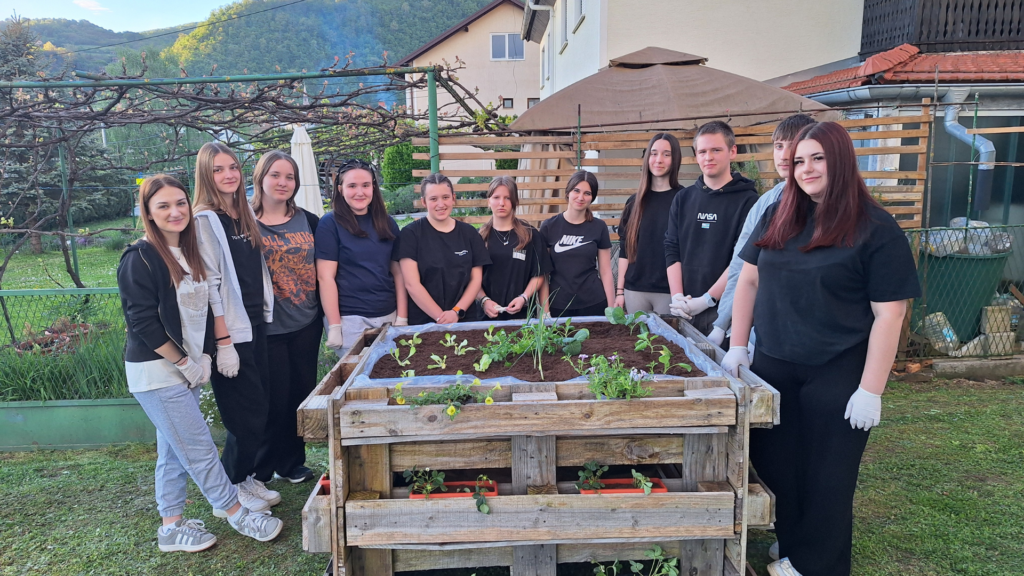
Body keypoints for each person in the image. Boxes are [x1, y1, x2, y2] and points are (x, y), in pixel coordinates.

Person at [723, 122, 920, 576]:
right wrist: (737, 346)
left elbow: (890, 314)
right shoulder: (782, 215)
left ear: (841, 161)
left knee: (828, 475)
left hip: (838, 369)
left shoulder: (875, 228)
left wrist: (871, 390)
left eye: (818, 159)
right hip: (774, 364)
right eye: (798, 161)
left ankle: (816, 563)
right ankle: (794, 544)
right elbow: (748, 279)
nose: (806, 169)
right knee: (778, 466)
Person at [117, 175, 282, 553]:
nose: (175, 212)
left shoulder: (188, 253)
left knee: (173, 451)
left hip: (187, 367)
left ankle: (171, 526)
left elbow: (201, 312)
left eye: (180, 203)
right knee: (199, 448)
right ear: (148, 213)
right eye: (163, 206)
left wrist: (207, 353)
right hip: (157, 373)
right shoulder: (139, 257)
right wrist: (183, 362)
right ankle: (237, 511)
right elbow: (142, 322)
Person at [192, 142, 281, 515]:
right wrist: (223, 341)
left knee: (260, 405)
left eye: (232, 167)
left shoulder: (241, 214)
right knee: (244, 411)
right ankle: (230, 489)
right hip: (229, 332)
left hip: (253, 322)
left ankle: (245, 477)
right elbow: (210, 283)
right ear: (205, 176)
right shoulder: (204, 220)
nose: (229, 175)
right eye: (218, 169)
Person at [708, 114, 817, 348]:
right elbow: (741, 266)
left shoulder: (831, 205)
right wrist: (722, 325)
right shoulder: (767, 202)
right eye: (778, 146)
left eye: (793, 145)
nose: (784, 154)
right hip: (764, 331)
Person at [250, 150, 321, 485]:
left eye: (289, 177)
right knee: (272, 398)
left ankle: (292, 463)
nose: (282, 182)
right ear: (260, 178)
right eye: (275, 175)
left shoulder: (309, 220)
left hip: (306, 321)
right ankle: (261, 469)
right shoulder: (243, 222)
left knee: (300, 393)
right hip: (267, 327)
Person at [664, 120, 759, 334]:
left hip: (725, 310)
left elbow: (743, 259)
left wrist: (707, 299)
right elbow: (671, 247)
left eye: (716, 150)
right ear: (696, 155)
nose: (709, 157)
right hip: (684, 308)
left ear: (732, 151)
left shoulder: (748, 202)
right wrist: (677, 297)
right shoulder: (683, 198)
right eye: (703, 151)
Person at [316, 159, 406, 355]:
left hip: (387, 313)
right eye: (352, 186)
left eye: (366, 185)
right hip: (350, 320)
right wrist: (334, 325)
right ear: (340, 189)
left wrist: (402, 317)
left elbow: (398, 272)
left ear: (373, 187)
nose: (360, 192)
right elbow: (325, 277)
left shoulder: (387, 223)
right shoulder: (329, 224)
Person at [396, 173, 489, 325]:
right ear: (423, 202)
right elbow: (412, 284)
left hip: (465, 319)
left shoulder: (469, 233)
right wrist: (441, 317)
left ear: (453, 198)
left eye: (445, 197)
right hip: (424, 323)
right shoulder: (410, 234)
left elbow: (476, 280)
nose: (441, 204)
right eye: (433, 199)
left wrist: (456, 312)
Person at [615, 133, 683, 314]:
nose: (658, 159)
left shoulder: (685, 199)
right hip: (634, 291)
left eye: (666, 154)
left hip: (669, 292)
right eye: (653, 153)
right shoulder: (633, 202)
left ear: (675, 158)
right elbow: (624, 249)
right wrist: (620, 291)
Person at [539, 170, 614, 317]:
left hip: (594, 303)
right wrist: (545, 310)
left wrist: (611, 309)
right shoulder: (549, 227)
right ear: (568, 192)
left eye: (587, 193)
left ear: (592, 197)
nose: (581, 197)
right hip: (558, 305)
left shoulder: (599, 227)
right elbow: (543, 274)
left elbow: (605, 272)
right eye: (576, 191)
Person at [477, 176, 551, 320]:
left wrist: (524, 297)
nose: (501, 203)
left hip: (522, 318)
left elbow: (540, 274)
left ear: (515, 202)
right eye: (496, 197)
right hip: (486, 320)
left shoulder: (530, 235)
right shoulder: (479, 238)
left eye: (507, 198)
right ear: (489, 201)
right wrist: (484, 301)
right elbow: (472, 278)